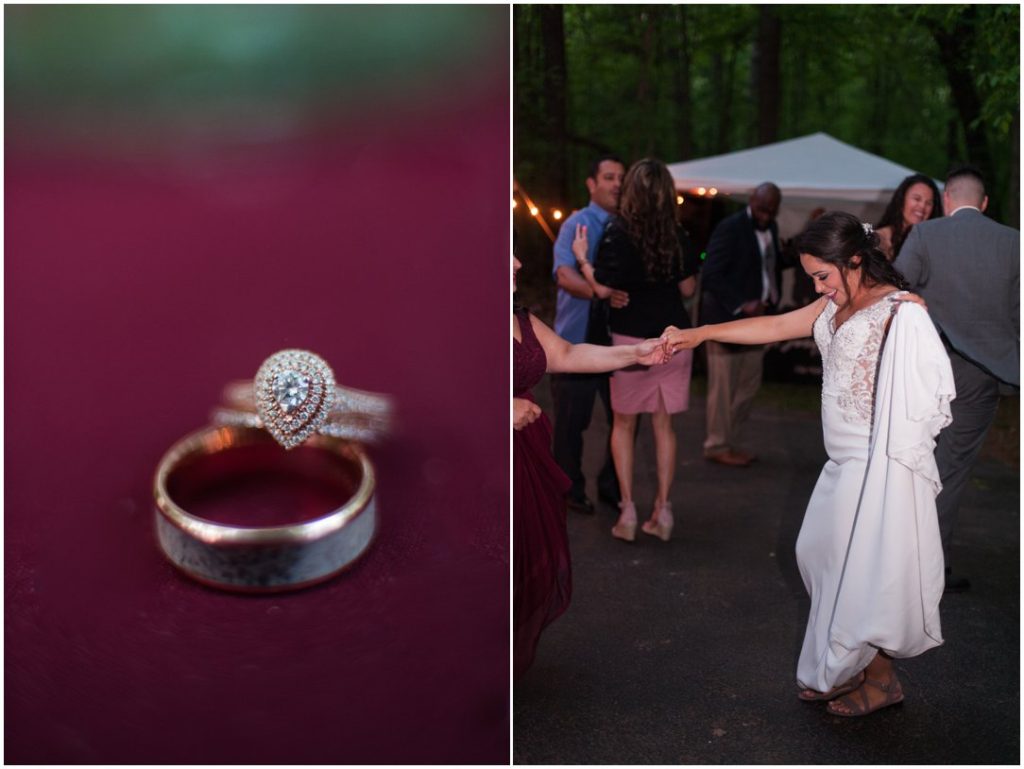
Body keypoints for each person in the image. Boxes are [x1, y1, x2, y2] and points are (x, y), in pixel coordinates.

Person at [664, 212, 953, 717]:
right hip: (840, 465)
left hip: (875, 469)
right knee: (821, 558)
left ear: (855, 259)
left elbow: (926, 380)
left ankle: (882, 681)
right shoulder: (828, 307)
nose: (818, 286)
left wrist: (914, 317)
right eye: (812, 278)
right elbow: (773, 325)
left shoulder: (899, 313)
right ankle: (845, 667)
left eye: (823, 275)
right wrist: (701, 333)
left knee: (866, 573)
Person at [513, 255, 668, 676]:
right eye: (502, 254)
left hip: (524, 452)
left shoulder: (518, 317)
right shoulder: (455, 319)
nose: (517, 261)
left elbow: (567, 353)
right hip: (477, 462)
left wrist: (635, 352)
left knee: (522, 560)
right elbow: (431, 391)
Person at [895, 164, 1019, 592]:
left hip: (925, 371)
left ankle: (901, 556)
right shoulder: (1014, 243)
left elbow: (895, 293)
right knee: (951, 470)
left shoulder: (927, 235)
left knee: (914, 459)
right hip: (980, 378)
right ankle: (927, 569)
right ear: (984, 204)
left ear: (946, 200)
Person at [574, 158, 700, 542]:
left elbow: (601, 289)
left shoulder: (617, 231)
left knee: (624, 425)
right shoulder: (678, 234)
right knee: (664, 426)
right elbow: (689, 290)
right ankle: (663, 510)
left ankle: (627, 510)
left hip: (630, 342)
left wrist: (582, 258)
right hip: (673, 338)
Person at [550, 155, 628, 514]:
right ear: (591, 184)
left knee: (624, 419)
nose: (616, 184)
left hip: (617, 342)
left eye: (620, 178)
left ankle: (612, 487)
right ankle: (568, 487)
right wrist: (599, 291)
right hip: (576, 340)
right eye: (609, 177)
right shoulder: (575, 225)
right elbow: (565, 276)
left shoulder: (629, 227)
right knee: (571, 423)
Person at [699, 182, 782, 467]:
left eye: (772, 210)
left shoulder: (771, 228)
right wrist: (741, 303)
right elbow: (710, 275)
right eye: (762, 208)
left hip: (757, 323)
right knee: (722, 391)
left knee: (748, 387)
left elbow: (770, 266)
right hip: (725, 322)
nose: (766, 215)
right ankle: (717, 444)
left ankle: (727, 440)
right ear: (751, 200)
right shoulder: (730, 227)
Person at [874, 173, 942, 261]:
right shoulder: (877, 240)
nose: (922, 206)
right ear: (901, 199)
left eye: (928, 203)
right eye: (917, 199)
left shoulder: (932, 245)